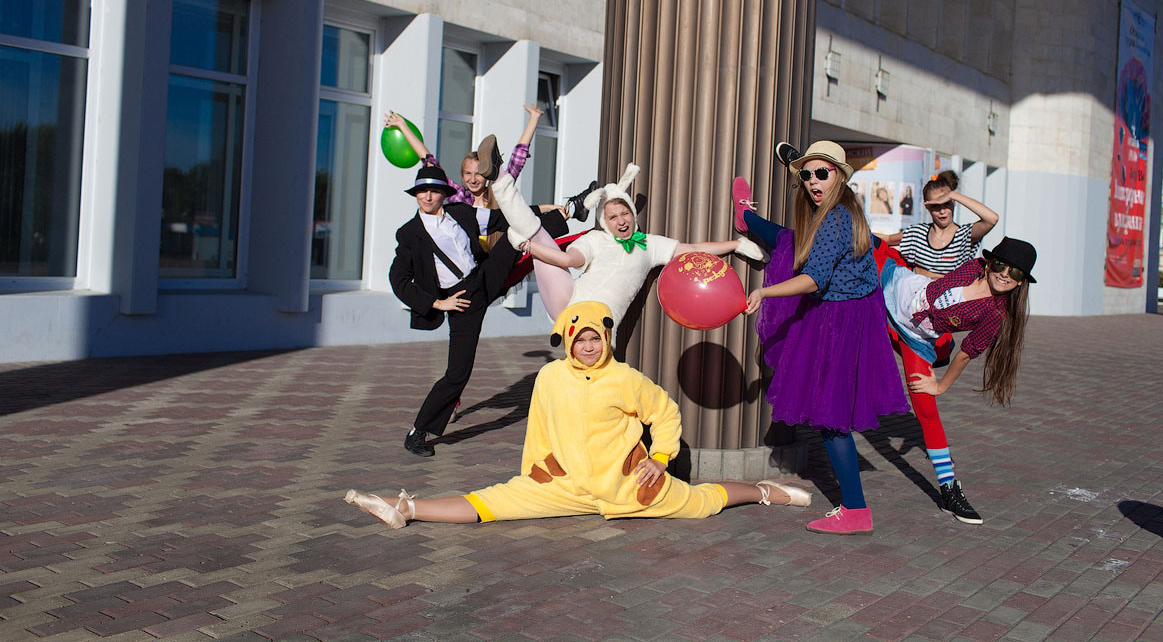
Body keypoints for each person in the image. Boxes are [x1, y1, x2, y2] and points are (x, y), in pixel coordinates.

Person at [344, 302, 813, 527]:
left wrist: (662, 458)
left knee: (702, 503)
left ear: (605, 340)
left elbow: (665, 413)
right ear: (569, 341)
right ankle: (405, 508)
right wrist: (538, 468)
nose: (588, 347)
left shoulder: (626, 377)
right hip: (564, 484)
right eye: (580, 339)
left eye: (595, 338)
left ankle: (763, 490)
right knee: (493, 503)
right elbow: (541, 427)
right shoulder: (550, 378)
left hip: (630, 487)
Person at [733, 141, 911, 535]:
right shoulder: (839, 209)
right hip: (847, 315)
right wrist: (797, 165)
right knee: (788, 239)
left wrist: (764, 292)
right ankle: (747, 219)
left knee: (831, 419)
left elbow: (814, 279)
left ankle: (855, 510)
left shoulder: (834, 219)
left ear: (840, 178)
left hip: (838, 321)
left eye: (822, 174)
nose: (813, 182)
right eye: (807, 175)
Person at [483, 158, 765, 329]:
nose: (620, 221)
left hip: (602, 325)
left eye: (625, 213)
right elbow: (568, 261)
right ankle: (499, 179)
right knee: (535, 231)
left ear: (632, 214)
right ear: (605, 221)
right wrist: (530, 249)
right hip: (569, 304)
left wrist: (736, 245)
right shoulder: (595, 238)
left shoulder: (650, 244)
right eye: (613, 216)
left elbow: (691, 250)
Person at [871, 235, 1035, 524]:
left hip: (916, 337)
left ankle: (949, 490)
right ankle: (765, 231)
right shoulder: (973, 267)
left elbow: (967, 353)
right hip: (897, 287)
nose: (1005, 274)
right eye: (1001, 264)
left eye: (1016, 272)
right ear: (990, 262)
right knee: (848, 243)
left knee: (926, 409)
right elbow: (936, 289)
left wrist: (941, 385)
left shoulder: (994, 313)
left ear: (1021, 282)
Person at [388, 164, 523, 458]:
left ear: (444, 194)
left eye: (434, 190)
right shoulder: (409, 233)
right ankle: (417, 433)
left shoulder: (461, 213)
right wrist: (437, 303)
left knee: (521, 229)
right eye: (422, 190)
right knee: (458, 373)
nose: (427, 196)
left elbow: (503, 216)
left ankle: (571, 211)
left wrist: (550, 210)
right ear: (416, 195)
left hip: (484, 276)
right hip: (461, 299)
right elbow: (397, 280)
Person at [386, 106, 597, 250]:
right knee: (528, 214)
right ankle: (572, 209)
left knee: (525, 218)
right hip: (472, 259)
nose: (473, 179)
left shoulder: (497, 192)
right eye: (467, 174)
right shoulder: (459, 197)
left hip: (501, 250)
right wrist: (403, 126)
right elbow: (429, 161)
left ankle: (575, 208)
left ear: (486, 174)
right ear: (461, 176)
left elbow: (517, 158)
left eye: (479, 173)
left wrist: (533, 119)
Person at [877, 170, 999, 278]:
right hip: (914, 297)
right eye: (936, 206)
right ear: (927, 207)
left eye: (946, 204)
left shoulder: (964, 235)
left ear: (954, 202)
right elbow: (887, 239)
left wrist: (953, 195)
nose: (942, 211)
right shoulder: (917, 233)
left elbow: (991, 219)